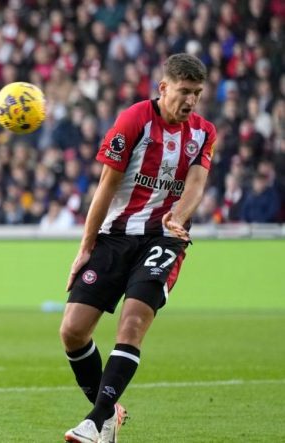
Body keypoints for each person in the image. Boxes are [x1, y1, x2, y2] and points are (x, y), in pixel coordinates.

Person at [61, 53, 216, 443]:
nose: (191, 100)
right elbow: (107, 186)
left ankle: (95, 421)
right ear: (163, 87)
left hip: (164, 238)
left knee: (131, 324)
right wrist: (86, 246)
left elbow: (196, 184)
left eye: (197, 93)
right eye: (184, 91)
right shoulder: (134, 120)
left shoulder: (203, 133)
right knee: (73, 331)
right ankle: (109, 414)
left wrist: (178, 217)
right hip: (115, 235)